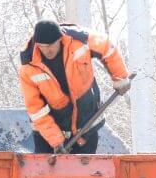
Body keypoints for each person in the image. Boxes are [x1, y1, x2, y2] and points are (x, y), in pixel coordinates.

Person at [19, 19, 132, 154]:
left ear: (60, 39)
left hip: (85, 123)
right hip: (48, 131)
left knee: (84, 171)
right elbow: (36, 110)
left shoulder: (79, 39)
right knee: (46, 172)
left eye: (51, 45)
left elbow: (107, 46)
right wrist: (56, 141)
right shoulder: (28, 66)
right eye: (42, 46)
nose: (47, 50)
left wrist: (120, 77)